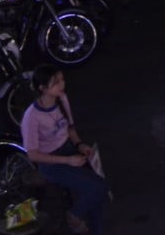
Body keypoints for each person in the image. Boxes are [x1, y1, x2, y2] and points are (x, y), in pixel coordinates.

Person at [20, 66, 110, 234]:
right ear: (43, 88)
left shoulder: (61, 99)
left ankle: (95, 229)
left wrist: (79, 145)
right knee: (98, 188)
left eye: (62, 80)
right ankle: (74, 216)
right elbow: (32, 154)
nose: (62, 85)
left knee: (96, 193)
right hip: (51, 162)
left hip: (68, 150)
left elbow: (70, 128)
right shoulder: (31, 117)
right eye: (56, 83)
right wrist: (67, 160)